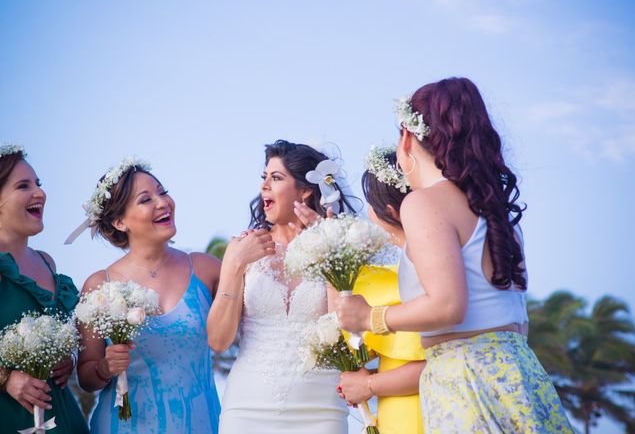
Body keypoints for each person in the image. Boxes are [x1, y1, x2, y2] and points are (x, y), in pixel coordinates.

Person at [335, 78, 574, 433]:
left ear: (406, 138)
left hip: (466, 380)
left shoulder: (423, 203)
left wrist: (371, 317)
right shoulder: (496, 211)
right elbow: (518, 320)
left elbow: (448, 306)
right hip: (521, 373)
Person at [208, 140, 356, 434]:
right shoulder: (242, 250)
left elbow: (346, 334)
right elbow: (218, 340)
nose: (264, 186)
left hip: (321, 409)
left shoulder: (335, 246)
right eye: (263, 178)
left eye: (276, 178)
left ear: (305, 190)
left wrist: (327, 248)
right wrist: (235, 265)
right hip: (247, 408)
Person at [74, 157, 221, 433]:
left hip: (200, 423)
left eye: (162, 192)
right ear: (119, 221)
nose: (163, 202)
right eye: (146, 200)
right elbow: (86, 376)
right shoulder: (99, 285)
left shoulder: (205, 269)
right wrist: (105, 367)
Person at [0, 143, 89, 433]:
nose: (39, 193)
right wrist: (7, 378)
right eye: (23, 186)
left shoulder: (47, 262)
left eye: (38, 184)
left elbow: (65, 334)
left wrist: (69, 359)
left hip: (62, 415)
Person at [337, 146, 424, 434]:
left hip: (417, 413)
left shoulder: (420, 264)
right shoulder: (414, 262)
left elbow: (433, 363)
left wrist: (367, 385)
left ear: (388, 211)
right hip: (394, 408)